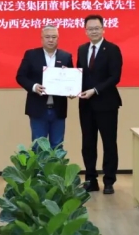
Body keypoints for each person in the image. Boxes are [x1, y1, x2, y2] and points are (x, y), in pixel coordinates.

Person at [76, 14, 123, 195]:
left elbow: (115, 77)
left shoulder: (112, 49)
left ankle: (109, 180)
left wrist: (95, 90)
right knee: (88, 143)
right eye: (90, 29)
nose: (93, 31)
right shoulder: (82, 49)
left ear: (103, 29)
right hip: (86, 104)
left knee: (109, 143)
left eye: (97, 28)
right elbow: (79, 74)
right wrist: (72, 88)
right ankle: (91, 180)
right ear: (85, 31)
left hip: (107, 104)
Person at [15, 25, 74, 148]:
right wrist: (34, 86)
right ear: (41, 39)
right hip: (38, 108)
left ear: (58, 39)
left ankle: (55, 162)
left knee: (57, 146)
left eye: (54, 37)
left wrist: (71, 91)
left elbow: (71, 80)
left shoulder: (66, 57)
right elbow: (20, 76)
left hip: (58, 109)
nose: (51, 40)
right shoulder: (31, 55)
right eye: (47, 37)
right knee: (38, 146)